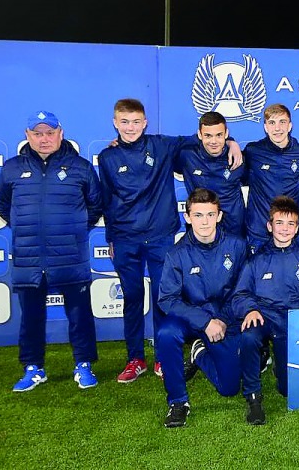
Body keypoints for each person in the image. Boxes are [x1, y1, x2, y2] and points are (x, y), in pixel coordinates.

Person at [99, 98, 241, 382]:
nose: (131, 127)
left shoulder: (161, 145)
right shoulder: (107, 157)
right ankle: (135, 358)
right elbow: (106, 200)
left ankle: (163, 359)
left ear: (145, 122)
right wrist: (111, 236)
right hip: (125, 239)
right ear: (115, 123)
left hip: (161, 236)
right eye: (124, 122)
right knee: (132, 298)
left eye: (136, 121)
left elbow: (205, 135)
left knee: (163, 299)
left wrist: (233, 142)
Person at [0, 111, 102, 392]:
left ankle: (83, 365)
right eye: (38, 134)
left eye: (50, 133)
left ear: (60, 133)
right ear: (28, 136)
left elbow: (95, 205)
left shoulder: (80, 167)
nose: (44, 139)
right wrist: (25, 226)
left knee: (79, 315)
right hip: (29, 257)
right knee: (31, 316)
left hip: (70, 255)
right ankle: (33, 368)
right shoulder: (12, 168)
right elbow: (3, 207)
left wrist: (75, 229)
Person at [155, 188, 250, 428]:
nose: (204, 221)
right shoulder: (177, 253)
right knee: (166, 333)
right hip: (189, 318)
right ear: (187, 218)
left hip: (224, 319)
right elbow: (167, 299)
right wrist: (204, 322)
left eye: (210, 214)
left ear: (219, 216)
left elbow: (243, 290)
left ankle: (199, 354)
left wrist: (223, 321)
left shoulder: (237, 246)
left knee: (229, 388)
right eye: (198, 215)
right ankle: (178, 402)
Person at [233, 196, 299, 424]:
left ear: (298, 228)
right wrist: (250, 309)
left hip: (291, 323)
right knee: (249, 337)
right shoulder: (256, 261)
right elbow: (240, 294)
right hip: (264, 317)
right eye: (279, 223)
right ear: (269, 226)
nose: (284, 229)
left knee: (286, 390)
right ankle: (253, 398)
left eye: (290, 224)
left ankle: (280, 369)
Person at [242, 104, 299, 253]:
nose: (277, 128)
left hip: (291, 233)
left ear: (290, 126)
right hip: (259, 233)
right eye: (272, 123)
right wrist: (231, 142)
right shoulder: (253, 151)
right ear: (265, 127)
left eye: (282, 122)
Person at [175, 111, 247, 239]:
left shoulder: (238, 159)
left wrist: (232, 143)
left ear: (226, 134)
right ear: (199, 135)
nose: (213, 141)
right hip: (201, 231)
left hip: (233, 232)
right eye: (208, 135)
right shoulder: (187, 156)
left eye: (219, 135)